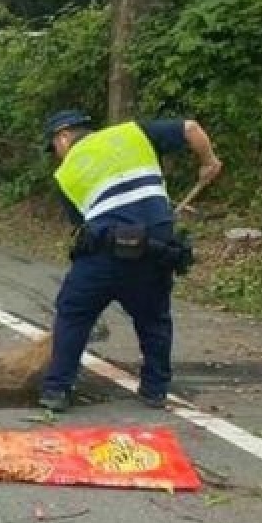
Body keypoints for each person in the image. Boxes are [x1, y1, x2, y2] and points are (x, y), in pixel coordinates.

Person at [38, 110, 223, 412]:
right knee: (153, 319)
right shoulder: (132, 133)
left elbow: (83, 225)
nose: (56, 155)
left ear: (64, 136)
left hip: (104, 252)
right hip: (156, 249)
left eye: (54, 147)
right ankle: (155, 389)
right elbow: (190, 128)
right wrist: (209, 162)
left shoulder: (65, 174)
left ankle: (57, 390)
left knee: (73, 313)